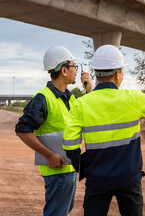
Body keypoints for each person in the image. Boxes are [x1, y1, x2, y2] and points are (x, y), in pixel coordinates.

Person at [63, 44, 145, 216]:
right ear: (117, 74)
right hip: (129, 178)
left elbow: (70, 144)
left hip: (97, 179)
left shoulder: (81, 104)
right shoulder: (132, 99)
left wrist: (84, 166)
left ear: (96, 74)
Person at [15, 45, 93, 216]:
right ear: (64, 70)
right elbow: (22, 129)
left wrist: (89, 90)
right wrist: (49, 155)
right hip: (56, 170)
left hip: (70, 168)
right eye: (74, 67)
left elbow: (91, 114)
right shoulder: (43, 98)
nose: (76, 72)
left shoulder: (70, 98)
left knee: (63, 211)